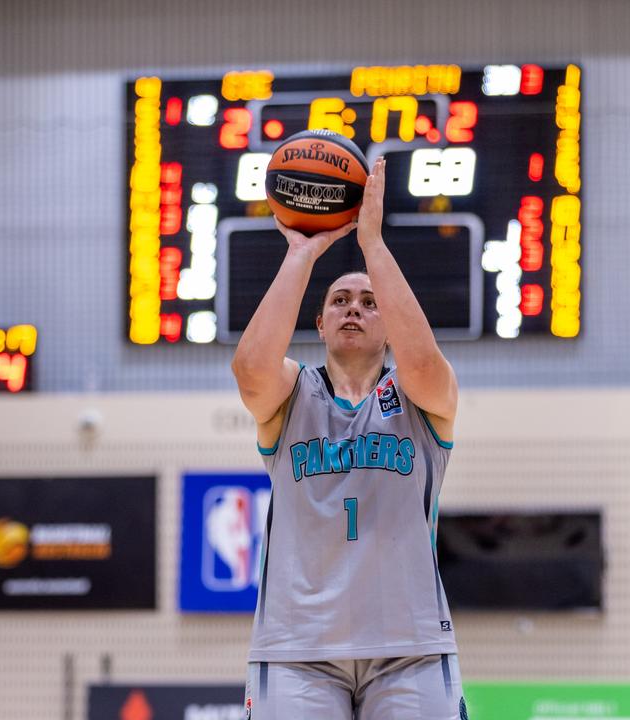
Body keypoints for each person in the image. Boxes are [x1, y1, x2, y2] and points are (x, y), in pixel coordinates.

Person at [231, 157, 467, 719]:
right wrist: (301, 252)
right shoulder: (292, 395)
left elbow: (423, 361)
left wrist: (373, 247)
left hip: (410, 648)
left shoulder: (421, 396)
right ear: (319, 323)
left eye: (369, 303)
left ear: (389, 322)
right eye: (340, 301)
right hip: (296, 652)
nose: (354, 309)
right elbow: (250, 369)